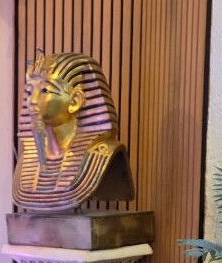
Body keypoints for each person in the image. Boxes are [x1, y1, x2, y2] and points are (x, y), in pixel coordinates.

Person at [12, 52, 134, 213]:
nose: (32, 101)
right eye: (29, 91)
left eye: (45, 90)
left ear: (75, 101)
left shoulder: (101, 153)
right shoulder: (28, 157)